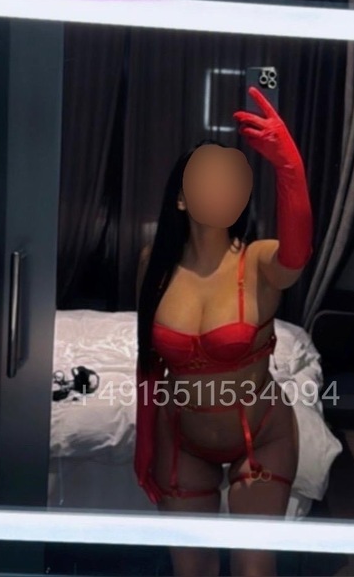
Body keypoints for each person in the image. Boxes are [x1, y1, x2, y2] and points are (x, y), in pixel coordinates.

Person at [134, 86, 313, 576]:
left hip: (260, 437)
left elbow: (297, 253)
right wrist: (147, 442)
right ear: (181, 198)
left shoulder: (257, 261)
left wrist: (289, 169)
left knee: (253, 570)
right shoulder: (153, 264)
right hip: (182, 439)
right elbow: (149, 362)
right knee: (191, 572)